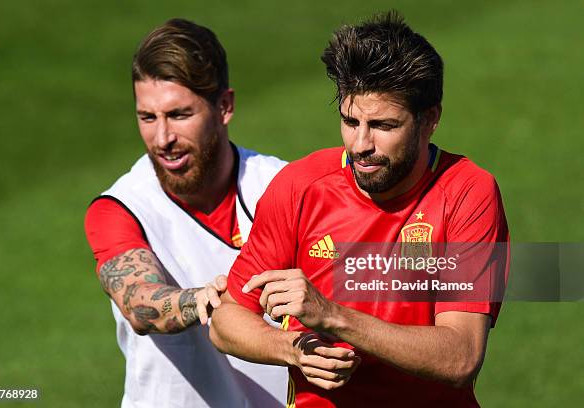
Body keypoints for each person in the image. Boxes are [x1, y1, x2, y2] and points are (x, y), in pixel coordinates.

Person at [209, 11, 509, 407]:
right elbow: (226, 320)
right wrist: (292, 348)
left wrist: (331, 316)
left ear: (429, 119)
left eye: (384, 125)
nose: (361, 144)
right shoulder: (301, 186)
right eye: (350, 121)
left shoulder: (467, 192)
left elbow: (461, 355)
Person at [84, 18, 289, 408]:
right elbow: (138, 301)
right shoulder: (119, 208)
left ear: (224, 106)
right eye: (147, 117)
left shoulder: (284, 186)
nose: (163, 140)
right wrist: (201, 300)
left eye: (179, 115)